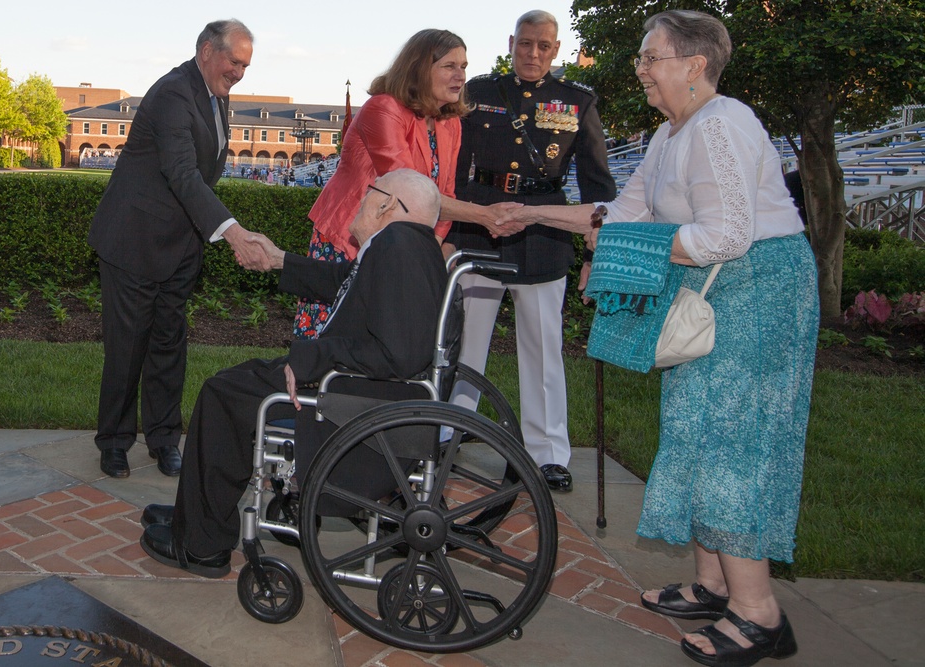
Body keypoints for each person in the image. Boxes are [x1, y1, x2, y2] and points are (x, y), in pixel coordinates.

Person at [496, 10, 818, 666]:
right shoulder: (675, 133)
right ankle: (714, 583)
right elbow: (622, 212)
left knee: (731, 440)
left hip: (759, 292)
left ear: (695, 65)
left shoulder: (722, 125)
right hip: (714, 289)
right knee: (694, 428)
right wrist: (531, 211)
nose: (640, 69)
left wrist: (638, 245)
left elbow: (726, 235)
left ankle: (759, 614)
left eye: (651, 57)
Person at [139, 169, 449, 577]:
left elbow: (401, 355)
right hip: (350, 384)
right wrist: (279, 259)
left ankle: (201, 544)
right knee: (236, 383)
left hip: (345, 398)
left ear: (387, 204)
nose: (360, 195)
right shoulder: (404, 246)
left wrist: (313, 359)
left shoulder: (397, 247)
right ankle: (196, 512)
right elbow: (346, 284)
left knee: (222, 394)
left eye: (369, 190)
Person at [442, 10, 616, 492]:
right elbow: (454, 164)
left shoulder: (577, 101)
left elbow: (598, 181)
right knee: (465, 341)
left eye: (543, 46)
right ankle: (448, 433)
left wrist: (597, 248)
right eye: (525, 44)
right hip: (481, 220)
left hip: (545, 229)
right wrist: (452, 229)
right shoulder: (478, 92)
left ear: (556, 50)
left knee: (543, 349)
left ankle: (547, 454)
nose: (533, 54)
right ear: (511, 42)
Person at [87, 19, 267, 480]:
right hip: (133, 242)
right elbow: (183, 174)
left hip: (181, 245)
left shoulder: (215, 95)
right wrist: (232, 231)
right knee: (127, 348)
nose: (240, 73)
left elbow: (200, 175)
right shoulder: (172, 94)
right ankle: (113, 441)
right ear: (207, 50)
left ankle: (164, 438)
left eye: (246, 65)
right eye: (234, 62)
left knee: (170, 343)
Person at [293, 28, 469, 339]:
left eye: (464, 67)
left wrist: (430, 247)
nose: (460, 75)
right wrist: (486, 215)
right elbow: (410, 191)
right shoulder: (384, 108)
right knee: (326, 332)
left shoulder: (450, 123)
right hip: (348, 237)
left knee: (379, 338)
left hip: (399, 248)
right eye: (449, 66)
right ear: (419, 67)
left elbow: (446, 193)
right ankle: (307, 385)